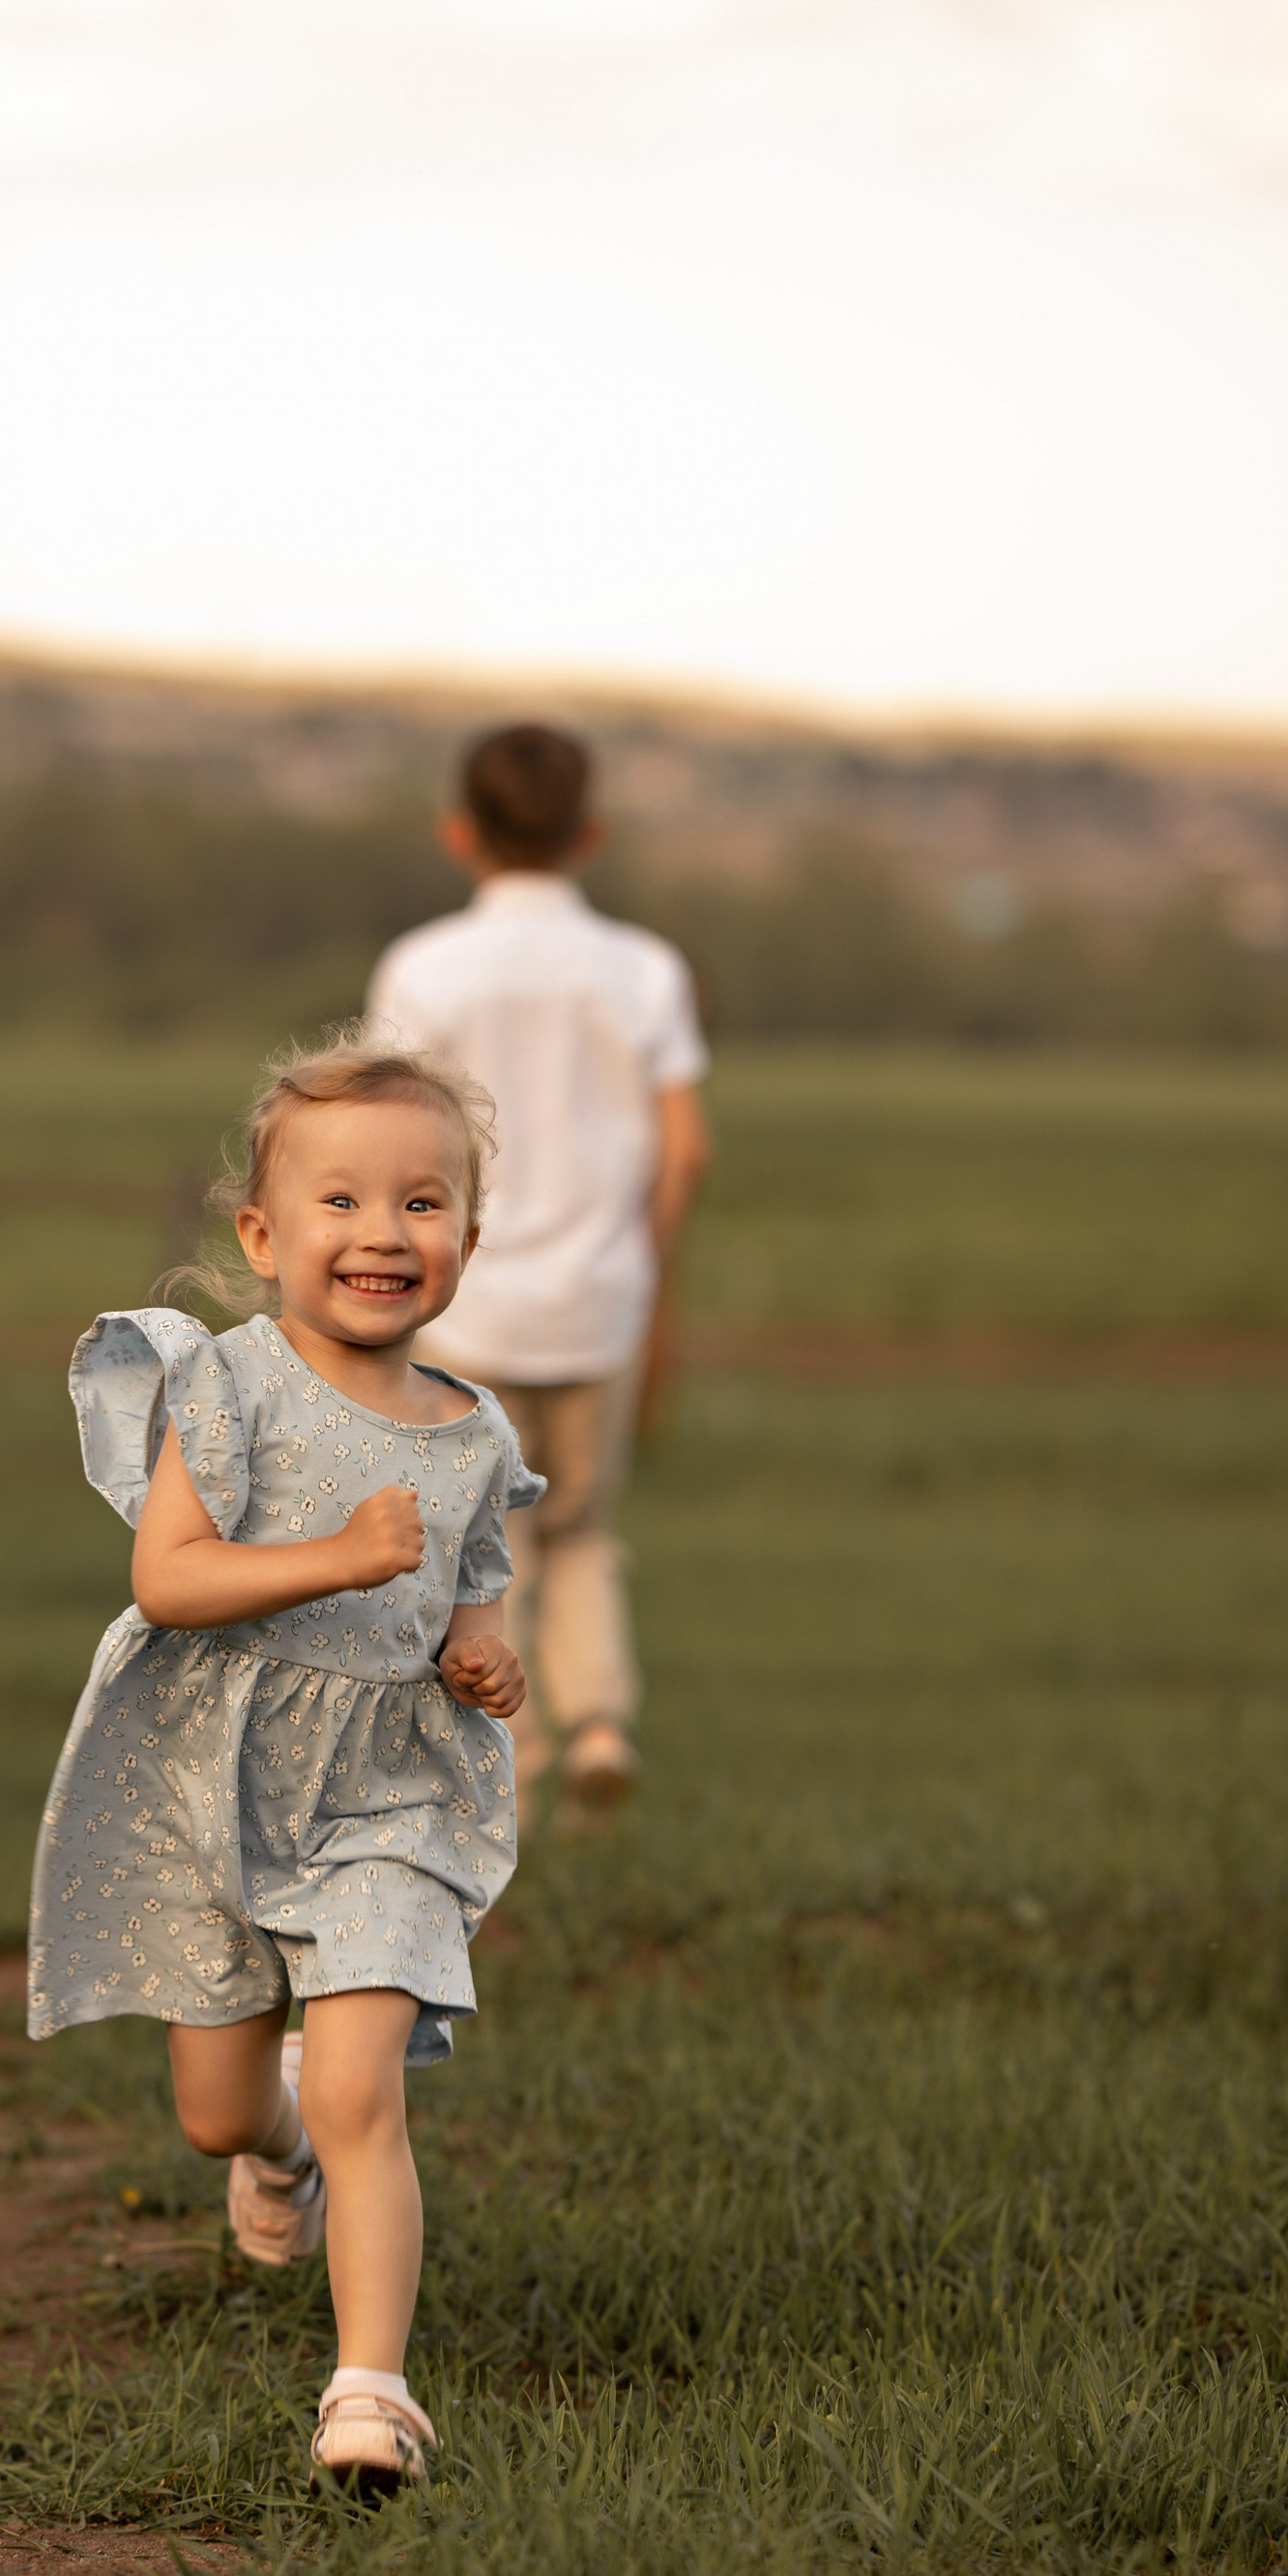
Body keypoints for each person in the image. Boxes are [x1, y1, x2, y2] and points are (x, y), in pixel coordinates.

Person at [28, 1033, 541, 2491]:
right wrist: (337, 1554)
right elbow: (170, 1576)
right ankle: (281, 2148)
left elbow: (474, 1589)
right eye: (343, 1201)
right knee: (218, 2114)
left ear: (467, 1243)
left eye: (423, 1203)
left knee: (365, 2088)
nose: (384, 1231)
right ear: (262, 1237)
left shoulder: (474, 1432)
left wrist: (483, 1658)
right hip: (217, 1783)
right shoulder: (229, 1386)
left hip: (389, 1795)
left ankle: (371, 2396)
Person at [366, 720, 711, 1813]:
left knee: (484, 1543)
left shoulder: (422, 967)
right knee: (583, 1529)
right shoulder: (645, 969)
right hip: (600, 1306)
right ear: (590, 833)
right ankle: (600, 1720)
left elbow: (388, 1139)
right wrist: (643, 1267)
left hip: (465, 1311)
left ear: (458, 833)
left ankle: (511, 1758)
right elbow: (685, 1147)